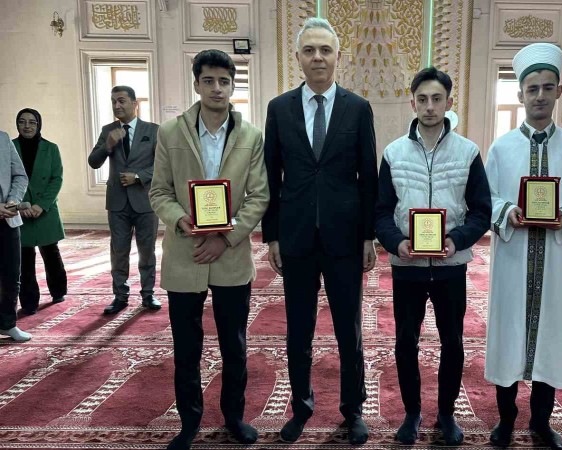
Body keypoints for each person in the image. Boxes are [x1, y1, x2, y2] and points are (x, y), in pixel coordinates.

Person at [262, 17, 378, 445]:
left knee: (350, 331)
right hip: (296, 239)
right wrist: (272, 236)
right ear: (298, 57)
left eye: (325, 50)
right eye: (309, 50)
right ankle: (301, 407)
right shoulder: (279, 109)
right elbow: (270, 175)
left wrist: (367, 236)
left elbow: (368, 176)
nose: (317, 57)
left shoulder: (357, 108)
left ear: (337, 57)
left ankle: (353, 410)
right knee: (299, 331)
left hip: (344, 239)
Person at [150, 49, 269, 450]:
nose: (217, 88)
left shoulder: (251, 136)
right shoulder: (170, 133)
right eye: (208, 80)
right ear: (196, 84)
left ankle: (234, 417)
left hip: (231, 255)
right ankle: (189, 422)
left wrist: (225, 237)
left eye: (224, 81)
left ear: (233, 86)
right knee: (186, 347)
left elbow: (259, 196)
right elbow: (159, 191)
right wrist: (180, 219)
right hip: (185, 253)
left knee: (234, 344)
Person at [484, 43, 562, 450]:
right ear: (520, 94)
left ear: (559, 92)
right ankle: (505, 421)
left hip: (554, 263)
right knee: (508, 337)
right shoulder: (501, 148)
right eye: (532, 89)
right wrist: (506, 210)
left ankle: (541, 423)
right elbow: (485, 197)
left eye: (548, 88)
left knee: (549, 338)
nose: (540, 96)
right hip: (512, 260)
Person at [375, 67, 491, 445]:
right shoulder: (394, 153)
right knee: (405, 342)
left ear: (448, 102)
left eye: (436, 99)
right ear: (412, 103)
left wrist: (456, 241)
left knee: (452, 342)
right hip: (407, 266)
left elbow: (481, 211)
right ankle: (412, 414)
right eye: (422, 99)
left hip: (450, 266)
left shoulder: (467, 152)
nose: (429, 106)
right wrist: (396, 243)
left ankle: (446, 413)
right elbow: (381, 211)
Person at [87, 85, 161, 314]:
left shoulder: (153, 130)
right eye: (113, 102)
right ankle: (120, 296)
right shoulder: (108, 130)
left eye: (121, 101)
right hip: (117, 202)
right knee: (119, 251)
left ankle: (148, 295)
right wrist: (107, 145)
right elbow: (93, 162)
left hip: (145, 201)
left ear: (134, 103)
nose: (117, 106)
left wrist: (139, 176)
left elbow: (163, 165)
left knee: (147, 251)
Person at [13, 108, 67, 315]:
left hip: (46, 210)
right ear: (17, 124)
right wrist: (21, 204)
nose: (27, 126)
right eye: (22, 122)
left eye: (32, 122)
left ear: (39, 125)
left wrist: (41, 205)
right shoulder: (9, 147)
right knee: (24, 258)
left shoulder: (51, 148)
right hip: (20, 210)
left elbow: (56, 179)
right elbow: (6, 179)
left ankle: (58, 291)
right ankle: (29, 303)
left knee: (51, 253)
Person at [0, 129, 30, 342]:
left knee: (12, 274)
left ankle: (7, 324)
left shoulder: (2, 138)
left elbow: (19, 175)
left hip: (8, 219)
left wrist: (13, 200)